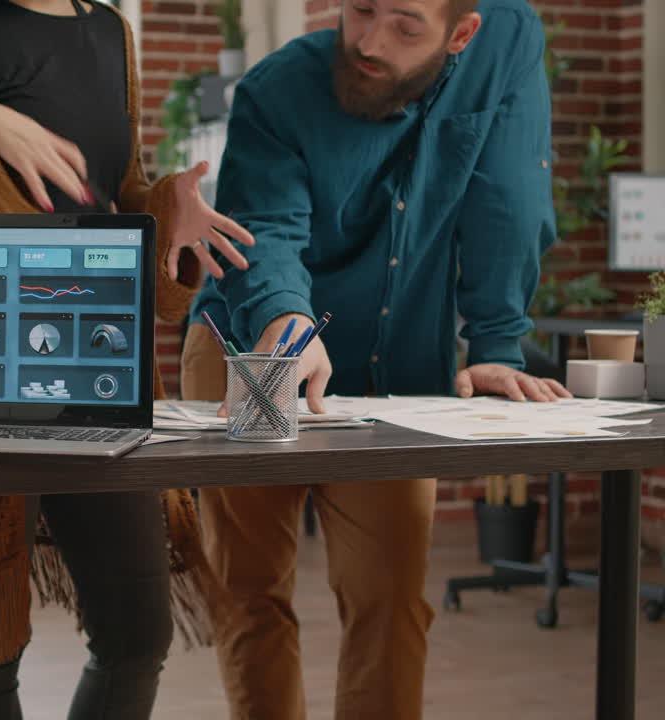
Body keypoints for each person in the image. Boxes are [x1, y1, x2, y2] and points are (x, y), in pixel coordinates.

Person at [0, 1, 253, 717]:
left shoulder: (112, 30)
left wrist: (162, 211)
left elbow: (110, 205)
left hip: (96, 375)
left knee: (138, 631)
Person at [181, 1, 572, 718]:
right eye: (360, 9)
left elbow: (508, 194)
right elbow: (264, 229)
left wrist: (494, 345)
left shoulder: (507, 36)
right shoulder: (278, 89)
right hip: (254, 348)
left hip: (399, 361)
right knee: (250, 590)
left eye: (404, 25)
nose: (368, 40)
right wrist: (284, 320)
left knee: (390, 597)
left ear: (462, 33)